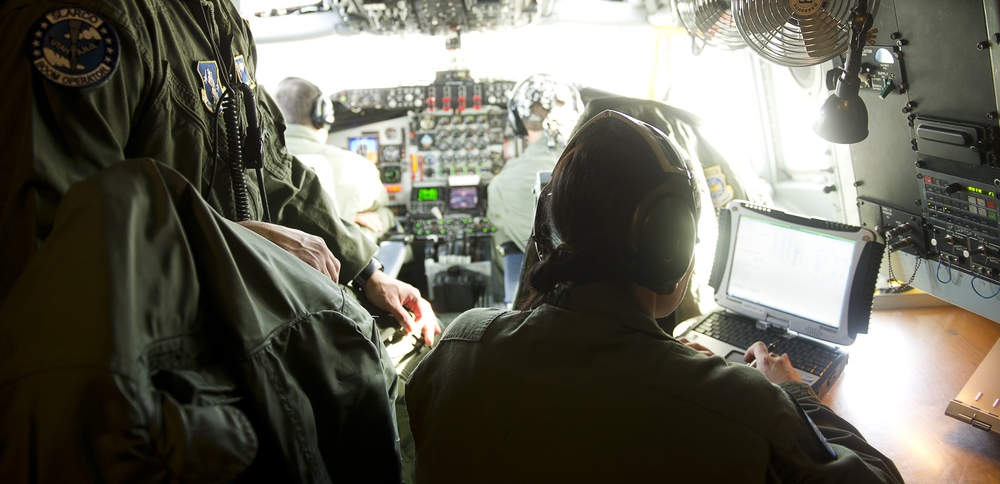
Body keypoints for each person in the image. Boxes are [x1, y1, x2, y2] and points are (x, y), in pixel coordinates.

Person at [0, 0, 436, 479]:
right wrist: (237, 244)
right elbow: (55, 246)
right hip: (145, 381)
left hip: (229, 348)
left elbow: (273, 169)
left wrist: (363, 270)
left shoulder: (220, 17)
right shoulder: (87, 3)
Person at [407, 110, 903, 483]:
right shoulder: (744, 404)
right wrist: (792, 393)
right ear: (672, 245)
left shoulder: (459, 346)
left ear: (548, 230)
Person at [273, 76, 396, 242]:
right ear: (321, 114)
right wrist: (350, 218)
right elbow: (382, 203)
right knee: (385, 215)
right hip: (337, 264)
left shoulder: (251, 164)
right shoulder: (357, 166)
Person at [487, 73, 581, 252]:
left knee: (500, 238)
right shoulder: (598, 161)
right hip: (602, 274)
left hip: (551, 275)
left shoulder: (501, 185)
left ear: (518, 123)